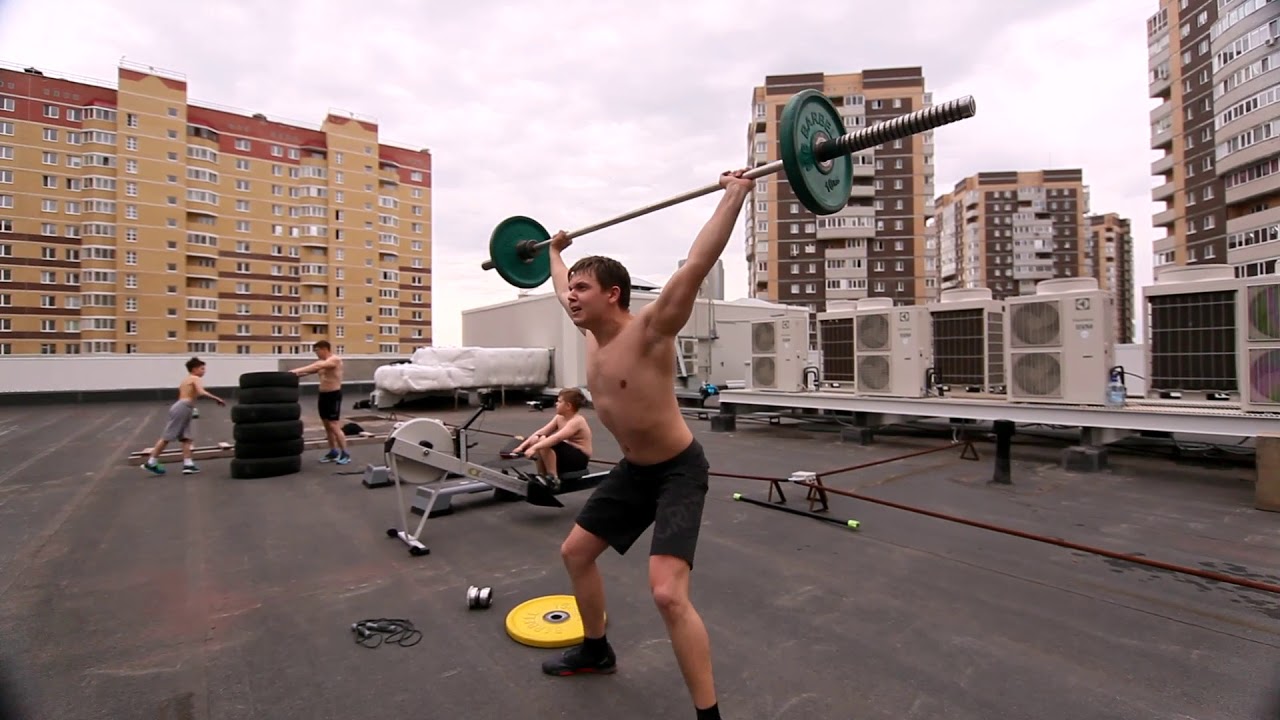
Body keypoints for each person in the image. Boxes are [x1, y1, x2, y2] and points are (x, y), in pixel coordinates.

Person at [537, 168, 752, 720]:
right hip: (633, 471)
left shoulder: (652, 329)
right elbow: (561, 284)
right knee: (575, 553)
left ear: (613, 295)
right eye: (571, 290)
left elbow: (695, 265)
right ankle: (596, 649)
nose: (571, 297)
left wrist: (736, 193)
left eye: (583, 289)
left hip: (679, 469)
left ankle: (710, 716)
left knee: (666, 594)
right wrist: (556, 251)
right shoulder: (591, 332)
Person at [141, 356, 225, 475]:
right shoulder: (195, 378)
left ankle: (188, 464)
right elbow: (201, 392)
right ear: (194, 369)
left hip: (184, 408)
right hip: (182, 408)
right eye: (202, 369)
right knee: (167, 436)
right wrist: (217, 398)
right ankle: (151, 462)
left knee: (187, 437)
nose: (204, 371)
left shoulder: (186, 380)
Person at [509, 387, 593, 484]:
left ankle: (553, 478)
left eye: (559, 401)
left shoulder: (577, 421)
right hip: (567, 456)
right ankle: (542, 475)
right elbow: (541, 432)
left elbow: (557, 438)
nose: (556, 404)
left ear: (568, 406)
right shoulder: (559, 418)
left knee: (544, 442)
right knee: (537, 439)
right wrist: (521, 447)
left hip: (579, 460)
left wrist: (533, 448)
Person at [290, 340, 349, 465]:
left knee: (334, 425)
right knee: (327, 425)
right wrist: (291, 375)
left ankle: (345, 453)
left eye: (317, 351)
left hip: (334, 395)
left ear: (324, 349)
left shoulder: (335, 360)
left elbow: (316, 367)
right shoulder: (321, 363)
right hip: (323, 396)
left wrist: (294, 370)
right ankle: (333, 452)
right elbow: (309, 371)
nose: (316, 354)